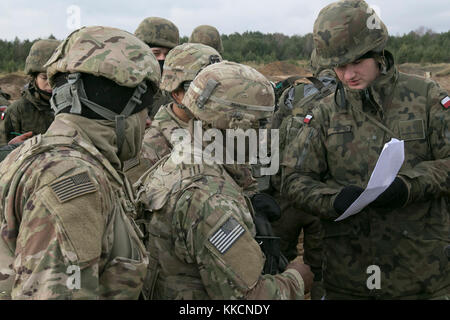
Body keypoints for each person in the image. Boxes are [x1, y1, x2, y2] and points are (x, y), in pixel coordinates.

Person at [282, 0, 449, 299]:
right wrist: (333, 200)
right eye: (339, 66)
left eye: (356, 63)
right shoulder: (324, 113)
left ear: (377, 53)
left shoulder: (427, 99)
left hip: (421, 275)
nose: (348, 76)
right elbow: (294, 180)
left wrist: (407, 187)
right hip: (348, 277)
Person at [0, 25, 161, 300]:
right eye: (143, 110)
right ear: (123, 108)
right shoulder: (74, 182)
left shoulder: (30, 154)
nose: (146, 122)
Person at [136, 61, 313, 300]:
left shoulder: (177, 159)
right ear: (237, 126)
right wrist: (299, 276)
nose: (263, 134)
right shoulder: (211, 200)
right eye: (260, 124)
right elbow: (250, 300)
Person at [125, 42, 222, 185]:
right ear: (176, 93)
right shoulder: (148, 150)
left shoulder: (223, 128)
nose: (215, 97)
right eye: (203, 89)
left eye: (219, 87)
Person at [3, 39, 60, 143]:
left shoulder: (73, 108)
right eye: (44, 78)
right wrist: (10, 148)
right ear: (34, 77)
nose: (51, 83)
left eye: (56, 78)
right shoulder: (17, 110)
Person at [135, 17, 180, 118]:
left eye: (168, 54)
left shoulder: (177, 90)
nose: (162, 59)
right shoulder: (126, 85)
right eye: (156, 53)